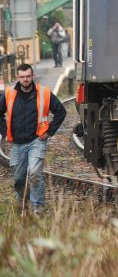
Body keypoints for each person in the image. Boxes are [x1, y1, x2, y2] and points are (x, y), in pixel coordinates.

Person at [0, 63, 66, 214]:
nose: (25, 80)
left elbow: (61, 112)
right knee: (18, 179)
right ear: (18, 77)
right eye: (22, 77)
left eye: (28, 76)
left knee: (35, 174)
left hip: (36, 140)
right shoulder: (9, 94)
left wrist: (49, 132)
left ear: (33, 76)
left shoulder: (44, 93)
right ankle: (24, 204)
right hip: (17, 143)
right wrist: (5, 132)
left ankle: (38, 208)